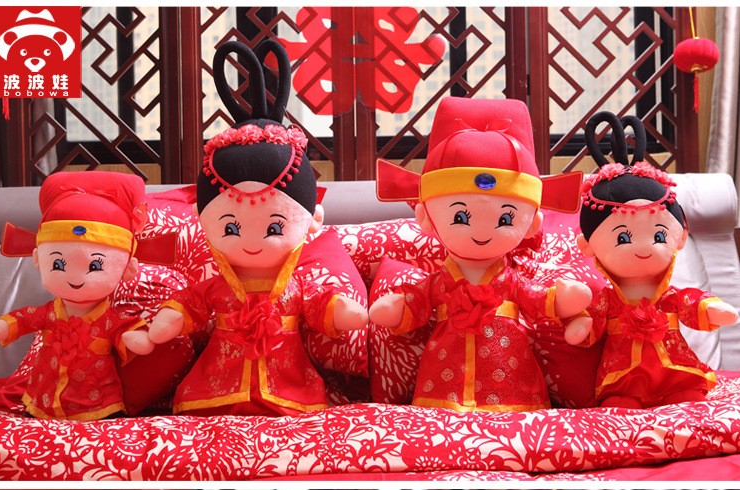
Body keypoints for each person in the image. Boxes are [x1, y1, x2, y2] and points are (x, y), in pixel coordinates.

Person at [131, 40, 367, 416]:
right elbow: (191, 304)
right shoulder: (218, 287)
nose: (252, 241)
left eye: (274, 227)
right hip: (217, 382)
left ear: (312, 220)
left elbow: (317, 304)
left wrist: (341, 310)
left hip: (288, 382)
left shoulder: (295, 286)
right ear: (203, 219)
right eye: (231, 228)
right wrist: (169, 320)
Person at [369, 97, 590, 412]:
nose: (482, 232)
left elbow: (535, 298)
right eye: (460, 217)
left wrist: (561, 299)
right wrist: (399, 307)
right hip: (443, 383)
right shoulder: (442, 282)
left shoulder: (510, 282)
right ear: (426, 218)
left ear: (532, 224)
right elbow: (418, 300)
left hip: (512, 381)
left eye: (505, 219)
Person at [564, 111, 738, 408]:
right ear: (588, 246)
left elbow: (688, 302)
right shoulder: (607, 301)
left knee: (687, 395)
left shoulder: (668, 297)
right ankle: (623, 400)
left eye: (659, 235)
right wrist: (582, 326)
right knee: (621, 401)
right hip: (623, 373)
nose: (644, 247)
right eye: (623, 237)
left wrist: (710, 309)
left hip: (675, 368)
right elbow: (591, 321)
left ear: (680, 237)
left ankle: (680, 396)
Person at [0, 171, 151, 420]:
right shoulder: (49, 313)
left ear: (127, 268)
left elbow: (126, 331)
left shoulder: (108, 319)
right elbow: (25, 318)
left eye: (95, 266)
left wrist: (136, 337)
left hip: (98, 404)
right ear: (38, 260)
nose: (76, 278)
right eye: (58, 264)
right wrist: (1, 327)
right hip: (42, 400)